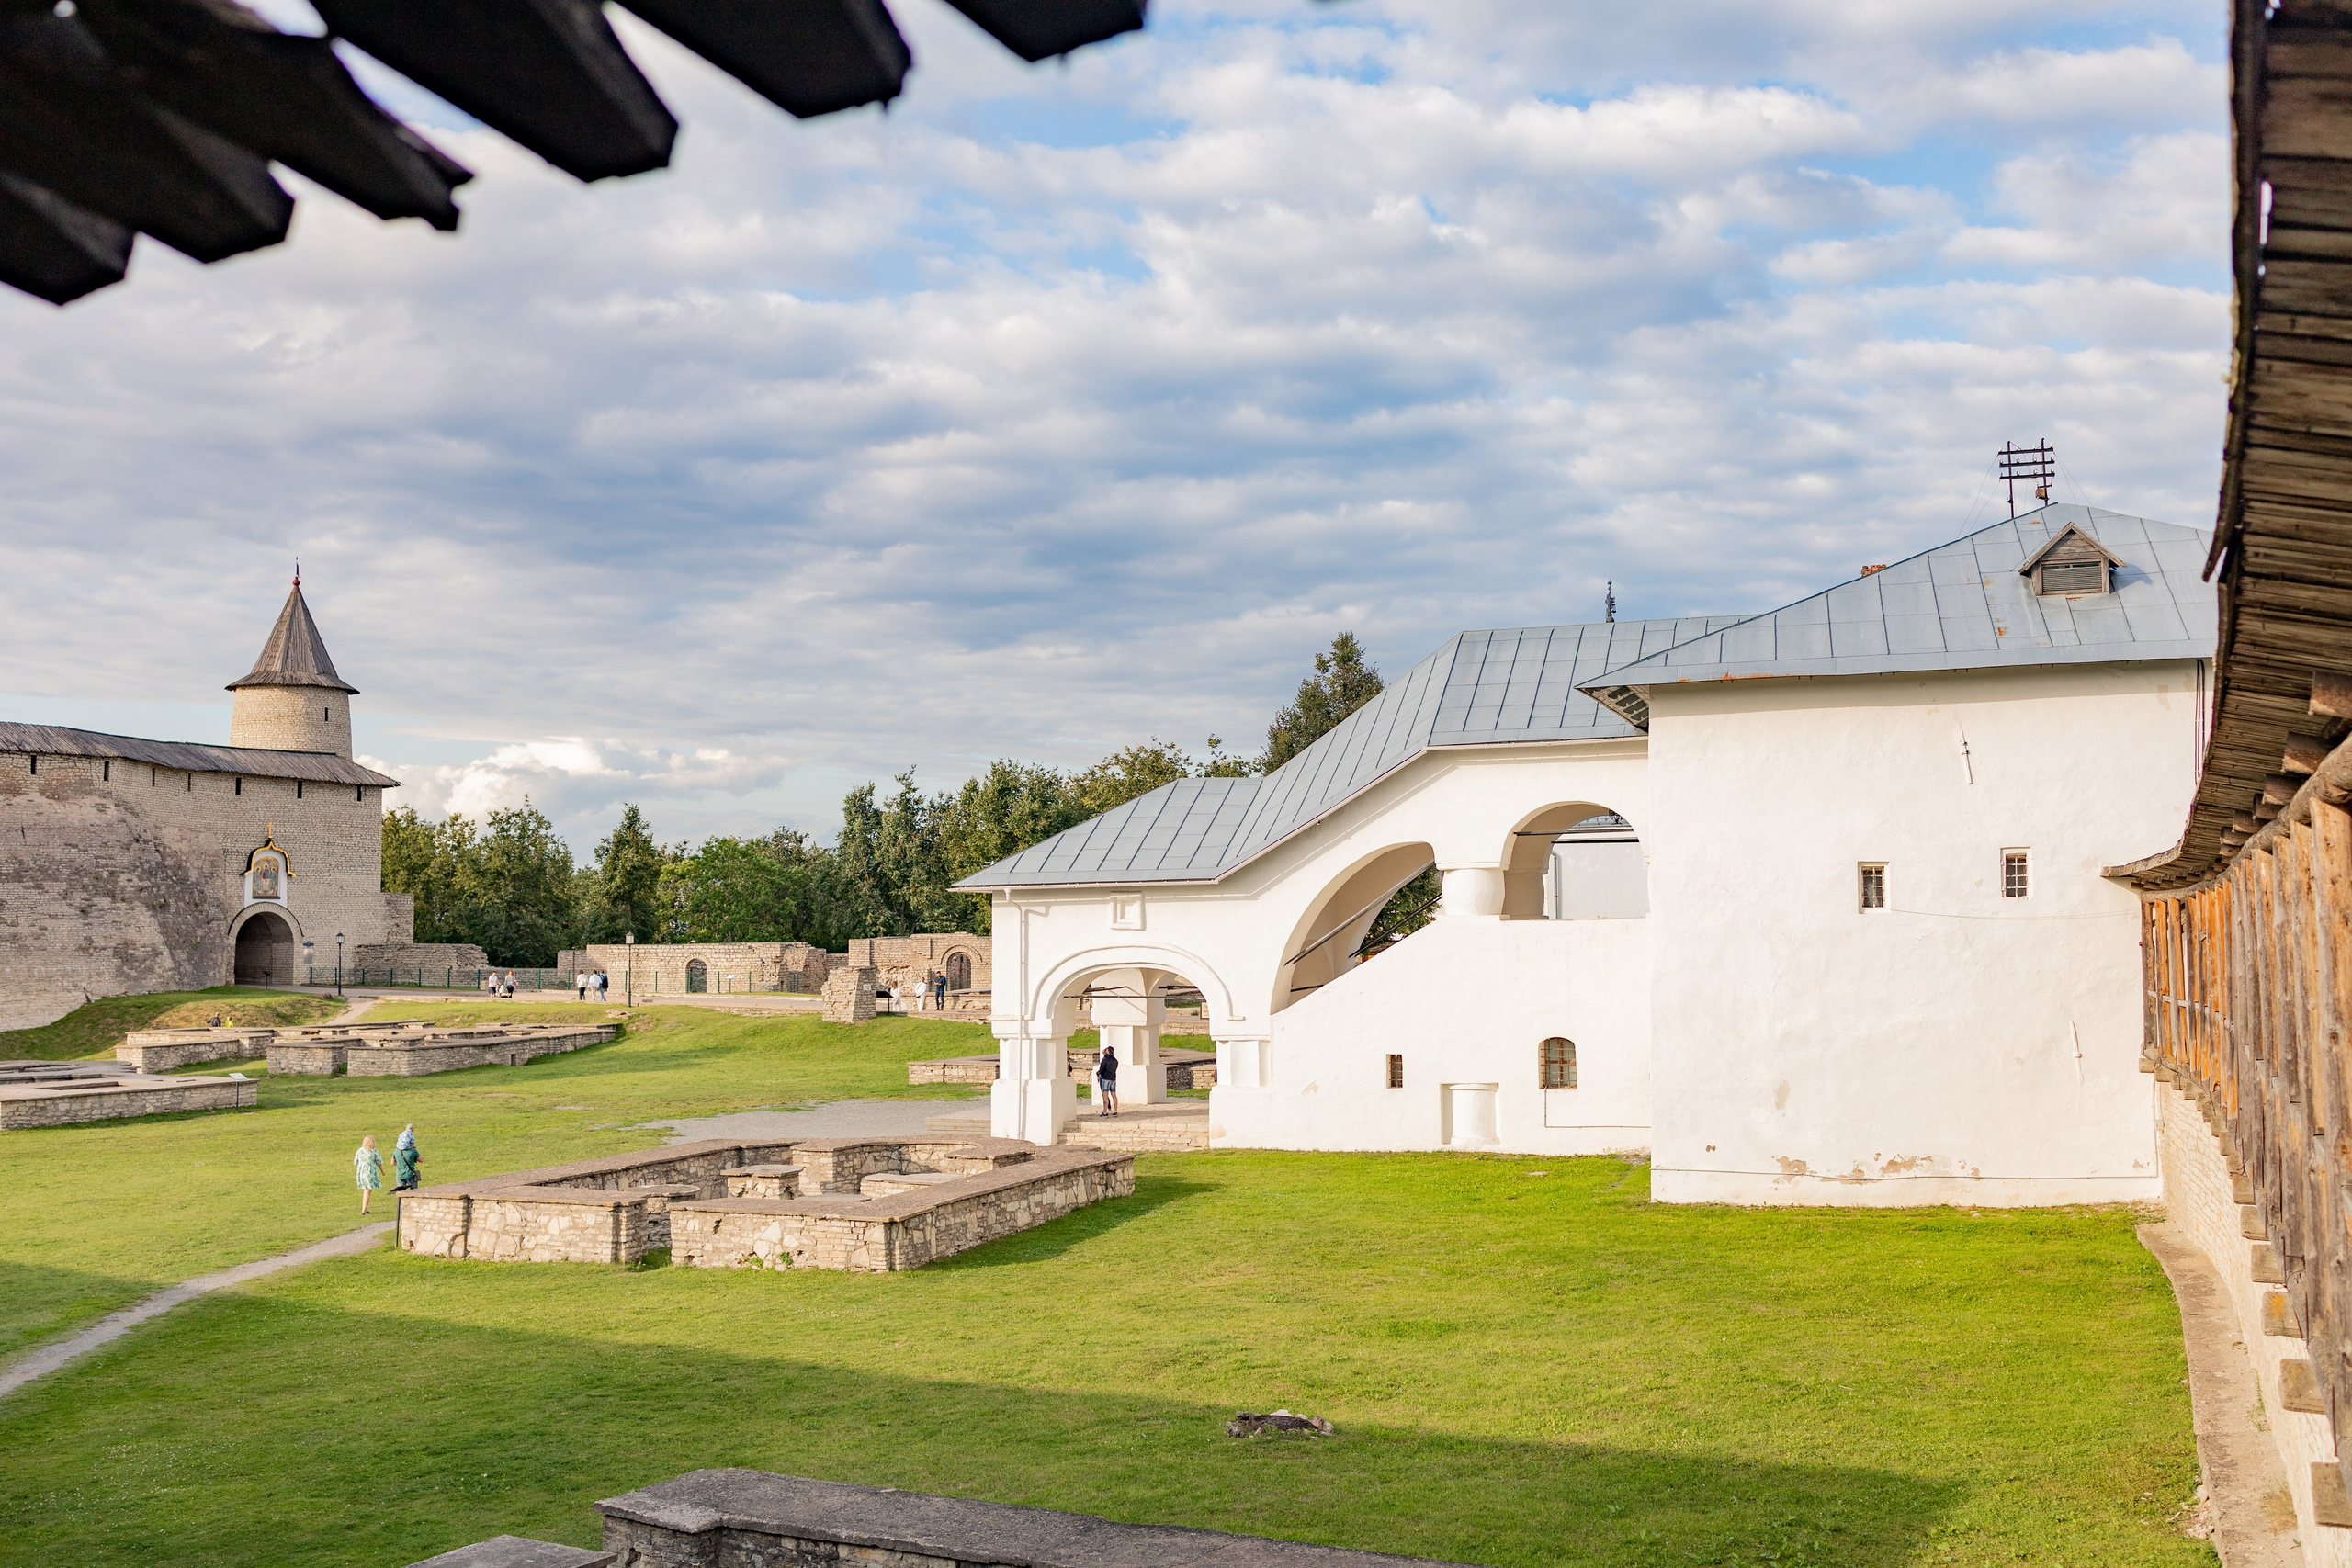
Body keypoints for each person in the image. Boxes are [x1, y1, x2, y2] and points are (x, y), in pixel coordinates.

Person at [354, 1134, 383, 1213]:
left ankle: (365, 1209)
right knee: (368, 1191)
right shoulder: (374, 1151)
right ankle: (364, 1210)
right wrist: (382, 1171)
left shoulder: (360, 1150)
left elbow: (356, 1161)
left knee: (365, 1190)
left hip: (361, 1172)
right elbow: (379, 1162)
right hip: (370, 1172)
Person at [394, 1123, 422, 1191]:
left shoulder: (397, 1151)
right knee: (414, 1192)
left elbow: (392, 1162)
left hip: (400, 1175)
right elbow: (421, 1160)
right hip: (410, 1175)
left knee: (401, 1194)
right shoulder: (413, 1151)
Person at [1095, 1042, 1120, 1118]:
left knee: (1105, 1096)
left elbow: (1102, 1069)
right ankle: (1115, 1110)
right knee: (1114, 1095)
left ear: (1108, 1052)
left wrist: (1100, 1075)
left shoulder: (1105, 1060)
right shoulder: (1115, 1060)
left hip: (1105, 1079)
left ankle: (1105, 1111)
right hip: (1113, 1079)